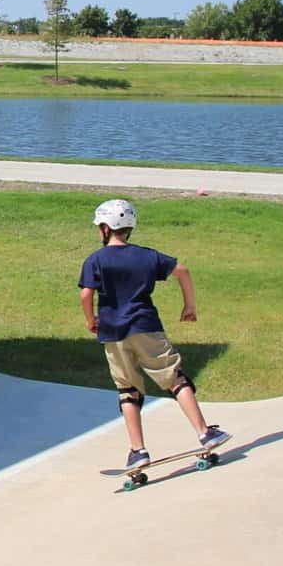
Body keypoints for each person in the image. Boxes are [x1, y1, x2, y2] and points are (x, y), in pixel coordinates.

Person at [78, 198, 229, 474]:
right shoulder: (147, 256)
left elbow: (86, 293)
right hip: (147, 326)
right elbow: (181, 270)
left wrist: (91, 321)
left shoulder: (95, 260)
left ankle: (138, 451)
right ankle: (205, 432)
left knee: (128, 390)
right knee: (174, 379)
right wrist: (190, 305)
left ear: (105, 228)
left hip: (113, 332)